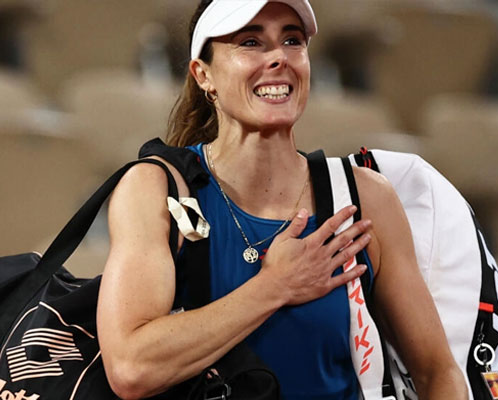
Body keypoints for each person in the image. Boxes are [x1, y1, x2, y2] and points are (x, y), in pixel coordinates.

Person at [96, 1, 468, 398]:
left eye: (292, 40)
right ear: (203, 75)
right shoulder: (156, 188)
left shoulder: (365, 197)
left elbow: (437, 373)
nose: (278, 58)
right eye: (251, 42)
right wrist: (276, 286)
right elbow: (131, 367)